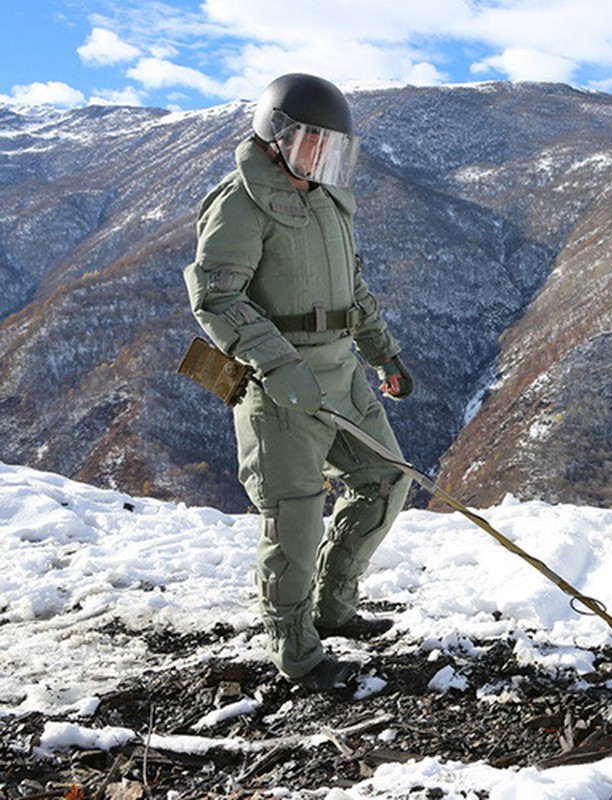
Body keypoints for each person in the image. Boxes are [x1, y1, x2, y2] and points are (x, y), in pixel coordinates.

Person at [184, 73, 413, 690]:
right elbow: (216, 296)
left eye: (332, 147)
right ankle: (297, 652)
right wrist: (279, 365)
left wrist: (385, 355)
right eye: (312, 143)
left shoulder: (328, 198)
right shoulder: (239, 202)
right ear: (276, 137)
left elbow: (353, 291)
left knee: (386, 482)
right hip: (278, 382)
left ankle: (334, 608)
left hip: (342, 371)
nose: (322, 157)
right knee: (295, 517)